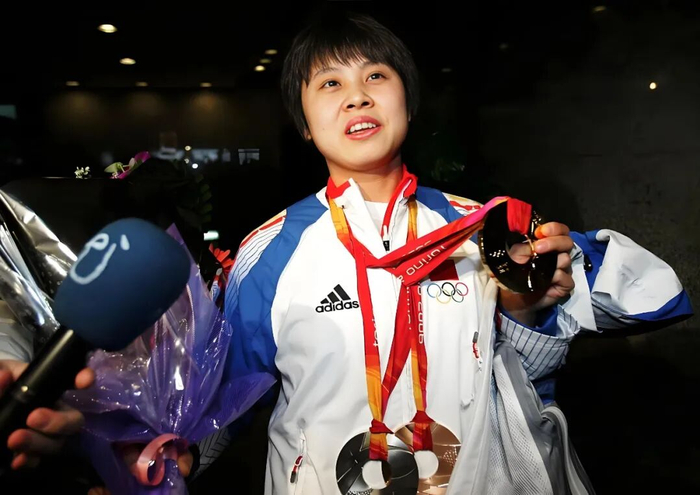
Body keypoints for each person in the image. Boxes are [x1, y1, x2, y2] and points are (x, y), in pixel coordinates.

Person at [106, 11, 693, 494]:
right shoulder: (269, 253)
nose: (356, 97)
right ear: (304, 122)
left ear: (408, 103)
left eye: (376, 76)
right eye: (329, 84)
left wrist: (530, 307)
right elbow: (223, 401)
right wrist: (168, 459)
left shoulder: (480, 228)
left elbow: (655, 301)